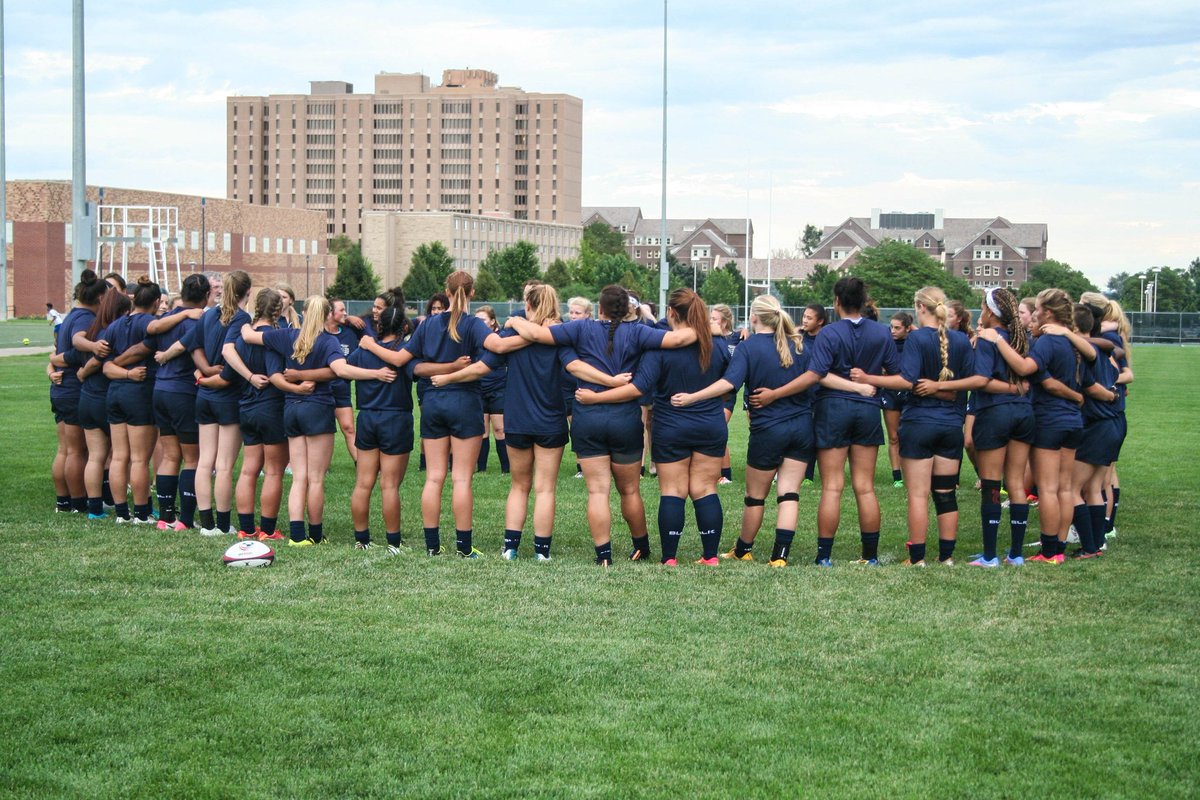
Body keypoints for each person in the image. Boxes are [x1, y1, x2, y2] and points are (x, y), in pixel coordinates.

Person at [508, 284, 697, 566]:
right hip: (624, 419)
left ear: (600, 307)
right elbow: (681, 340)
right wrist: (709, 328)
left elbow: (535, 334)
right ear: (628, 308)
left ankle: (604, 555)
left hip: (588, 418)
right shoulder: (639, 332)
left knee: (598, 491)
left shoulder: (581, 328)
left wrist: (513, 320)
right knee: (630, 490)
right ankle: (640, 547)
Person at [434, 285, 620, 560]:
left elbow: (482, 367)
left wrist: (447, 377)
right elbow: (575, 368)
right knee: (545, 488)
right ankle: (541, 552)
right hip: (550, 421)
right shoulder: (559, 337)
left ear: (528, 306)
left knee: (519, 486)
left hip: (517, 421)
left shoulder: (512, 334)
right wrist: (610, 382)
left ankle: (510, 547)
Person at [577, 289, 730, 566]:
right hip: (710, 423)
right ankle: (710, 556)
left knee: (672, 490)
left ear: (671, 313)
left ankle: (669, 557)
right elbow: (732, 379)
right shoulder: (717, 344)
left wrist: (595, 397)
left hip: (671, 425)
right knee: (706, 489)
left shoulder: (660, 349)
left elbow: (638, 387)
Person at [758, 277, 899, 567]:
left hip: (833, 410)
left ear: (836, 302)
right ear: (862, 302)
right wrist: (867, 383)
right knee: (865, 486)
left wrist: (775, 394)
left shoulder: (829, 333)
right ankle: (870, 556)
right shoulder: (882, 333)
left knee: (832, 486)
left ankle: (824, 557)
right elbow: (900, 377)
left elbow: (816, 374)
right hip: (868, 411)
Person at [359, 273, 495, 558]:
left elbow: (405, 364)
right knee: (461, 479)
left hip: (432, 404)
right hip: (465, 402)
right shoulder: (474, 325)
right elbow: (493, 350)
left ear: (446, 292)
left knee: (434, 477)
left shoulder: (427, 324)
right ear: (472, 294)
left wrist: (370, 344)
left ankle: (432, 545)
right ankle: (464, 547)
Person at [242, 295, 394, 547]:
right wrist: (376, 373)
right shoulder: (328, 341)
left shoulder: (287, 337)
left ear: (302, 312)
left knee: (299, 476)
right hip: (318, 409)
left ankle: (297, 535)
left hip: (291, 409)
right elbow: (343, 370)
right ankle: (314, 533)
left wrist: (242, 321)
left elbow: (249, 336)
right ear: (327, 315)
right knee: (315, 478)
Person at [854, 287, 981, 566]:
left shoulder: (917, 339)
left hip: (919, 424)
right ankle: (946, 556)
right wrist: (944, 389)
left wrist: (868, 378)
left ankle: (917, 557)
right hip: (950, 426)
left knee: (919, 495)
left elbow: (907, 380)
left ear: (920, 307)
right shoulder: (961, 340)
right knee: (946, 494)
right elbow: (976, 380)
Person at [978, 288, 1098, 563]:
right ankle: (1058, 546)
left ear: (1048, 313)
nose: (1032, 314)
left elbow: (1024, 368)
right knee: (1066, 487)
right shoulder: (1072, 342)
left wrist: (997, 341)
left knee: (1047, 488)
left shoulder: (1047, 342)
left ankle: (1049, 551)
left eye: (1036, 310)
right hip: (1073, 422)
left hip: (1049, 420)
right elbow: (1091, 357)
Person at [206, 288, 289, 540]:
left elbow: (227, 376)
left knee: (248, 469)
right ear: (277, 310)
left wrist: (202, 378)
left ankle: (246, 528)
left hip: (246, 407)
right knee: (274, 470)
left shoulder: (242, 339)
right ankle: (267, 529)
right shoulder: (277, 337)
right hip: (271, 406)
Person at [966, 288, 1035, 567]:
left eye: (982, 304)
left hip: (994, 413)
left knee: (992, 484)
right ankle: (1016, 554)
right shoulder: (1021, 339)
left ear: (991, 311)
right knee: (1016, 483)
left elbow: (981, 380)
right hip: (1024, 414)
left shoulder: (987, 339)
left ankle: (990, 556)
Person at [184, 271, 252, 536]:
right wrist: (217, 376)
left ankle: (207, 523)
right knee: (223, 465)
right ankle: (222, 525)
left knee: (204, 462)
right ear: (248, 291)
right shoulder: (241, 317)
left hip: (205, 398)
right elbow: (229, 351)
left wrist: (203, 373)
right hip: (227, 398)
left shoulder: (209, 313)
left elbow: (193, 347)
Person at [346, 305, 415, 552]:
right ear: (405, 328)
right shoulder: (404, 351)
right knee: (389, 485)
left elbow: (345, 368)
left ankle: (361, 539)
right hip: (395, 419)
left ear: (379, 326)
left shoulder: (363, 350)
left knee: (363, 483)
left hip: (367, 418)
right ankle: (394, 543)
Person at [147, 274, 210, 530]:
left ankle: (165, 517)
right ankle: (185, 519)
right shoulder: (199, 320)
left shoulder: (164, 319)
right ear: (206, 297)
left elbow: (150, 335)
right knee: (192, 458)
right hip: (183, 392)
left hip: (159, 389)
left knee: (170, 456)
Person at [100, 276, 163, 524]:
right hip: (139, 392)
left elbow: (105, 366)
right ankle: (141, 512)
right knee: (139, 458)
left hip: (114, 392)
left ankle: (122, 513)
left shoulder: (115, 325)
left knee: (119, 456)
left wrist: (119, 369)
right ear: (157, 302)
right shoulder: (151, 323)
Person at [48, 270, 110, 514]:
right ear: (98, 299)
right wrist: (94, 346)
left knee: (64, 449)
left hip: (61, 389)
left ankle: (64, 501)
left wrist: (54, 361)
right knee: (76, 450)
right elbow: (77, 342)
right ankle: (77, 502)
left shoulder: (71, 314)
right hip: (74, 388)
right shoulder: (84, 318)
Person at [1067, 303, 1122, 558]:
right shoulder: (1103, 351)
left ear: (1075, 327)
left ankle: (1089, 546)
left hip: (1098, 425)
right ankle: (1096, 544)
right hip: (1113, 424)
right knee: (1093, 488)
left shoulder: (1084, 353)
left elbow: (1089, 386)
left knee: (1072, 488)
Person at [72, 287, 127, 519]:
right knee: (116, 456)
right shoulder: (111, 333)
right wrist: (85, 371)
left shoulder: (91, 330)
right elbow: (100, 361)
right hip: (105, 398)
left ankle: (95, 508)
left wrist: (83, 374)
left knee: (95, 456)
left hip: (87, 398)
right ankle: (117, 504)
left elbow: (76, 341)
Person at [414, 293, 449, 472]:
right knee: (427, 422)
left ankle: (448, 461)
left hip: (449, 383)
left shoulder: (451, 329)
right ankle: (424, 462)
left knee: (448, 423)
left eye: (440, 308)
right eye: (433, 308)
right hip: (426, 384)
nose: (436, 312)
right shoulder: (424, 328)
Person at [473, 305, 509, 474]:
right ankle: (481, 468)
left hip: (498, 388)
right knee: (482, 430)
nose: (479, 324)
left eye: (483, 320)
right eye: (477, 320)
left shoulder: (500, 338)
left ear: (492, 321)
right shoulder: (473, 338)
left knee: (500, 429)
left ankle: (506, 469)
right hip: (478, 388)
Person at [325, 297, 360, 464]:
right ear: (330, 313)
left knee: (349, 428)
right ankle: (322, 464)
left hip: (341, 390)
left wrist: (351, 318)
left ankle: (360, 463)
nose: (345, 312)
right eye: (341, 310)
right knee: (324, 431)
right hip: (320, 391)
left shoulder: (349, 333)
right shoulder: (318, 333)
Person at [882, 311, 913, 489]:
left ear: (908, 328)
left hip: (910, 394)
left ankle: (911, 473)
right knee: (894, 437)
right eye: (891, 327)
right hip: (890, 393)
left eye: (897, 327)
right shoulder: (887, 343)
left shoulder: (914, 343)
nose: (892, 331)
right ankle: (897, 476)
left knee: (908, 436)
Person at [709, 303, 740, 485]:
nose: (710, 321)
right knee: (715, 431)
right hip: (710, 390)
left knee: (718, 429)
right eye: (710, 318)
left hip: (727, 393)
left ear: (725, 321)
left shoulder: (738, 338)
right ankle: (718, 473)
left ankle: (725, 475)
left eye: (714, 318)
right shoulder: (710, 338)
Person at [565, 296, 593, 479]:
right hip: (566, 383)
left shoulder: (592, 333)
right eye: (572, 312)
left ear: (588, 314)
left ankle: (589, 463)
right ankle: (580, 465)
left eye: (578, 313)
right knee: (574, 426)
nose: (573, 316)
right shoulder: (565, 331)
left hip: (587, 384)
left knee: (584, 425)